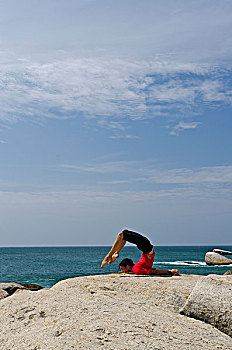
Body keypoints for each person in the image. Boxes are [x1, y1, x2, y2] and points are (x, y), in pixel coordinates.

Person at [101, 229, 179, 276]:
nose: (122, 271)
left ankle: (111, 255)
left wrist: (170, 272)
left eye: (122, 269)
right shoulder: (136, 269)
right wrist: (170, 272)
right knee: (122, 235)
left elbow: (153, 271)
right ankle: (114, 254)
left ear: (128, 266)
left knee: (123, 235)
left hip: (146, 249)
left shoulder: (136, 269)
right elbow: (153, 271)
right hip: (146, 249)